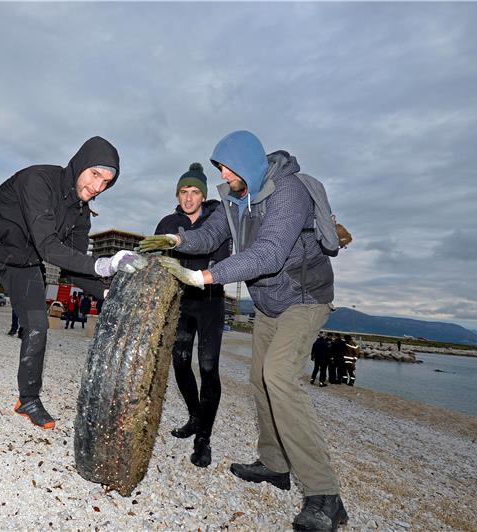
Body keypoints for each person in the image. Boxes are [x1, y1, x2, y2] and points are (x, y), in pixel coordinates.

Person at [140, 130, 348, 530]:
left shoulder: (288, 193)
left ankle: (325, 495)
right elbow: (212, 234)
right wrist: (175, 237)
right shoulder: (238, 196)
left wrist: (204, 277)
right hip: (270, 304)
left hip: (306, 298)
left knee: (280, 377)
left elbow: (267, 255)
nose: (222, 173)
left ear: (246, 163)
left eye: (225, 166)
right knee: (259, 381)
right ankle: (274, 464)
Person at [0, 136, 146, 456]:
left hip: (23, 260)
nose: (98, 186)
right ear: (80, 164)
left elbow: (73, 266)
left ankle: (27, 399)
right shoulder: (38, 180)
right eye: (95, 175)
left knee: (38, 326)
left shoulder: (81, 216)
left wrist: (108, 294)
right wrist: (105, 264)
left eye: (106, 182)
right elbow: (50, 247)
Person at [153, 162, 230, 468]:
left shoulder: (217, 221)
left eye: (195, 191)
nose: (188, 198)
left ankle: (204, 439)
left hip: (210, 299)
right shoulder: (167, 222)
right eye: (183, 191)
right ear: (178, 194)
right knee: (181, 362)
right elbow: (158, 260)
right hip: (182, 302)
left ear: (203, 195)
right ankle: (195, 417)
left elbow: (222, 260)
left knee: (208, 366)